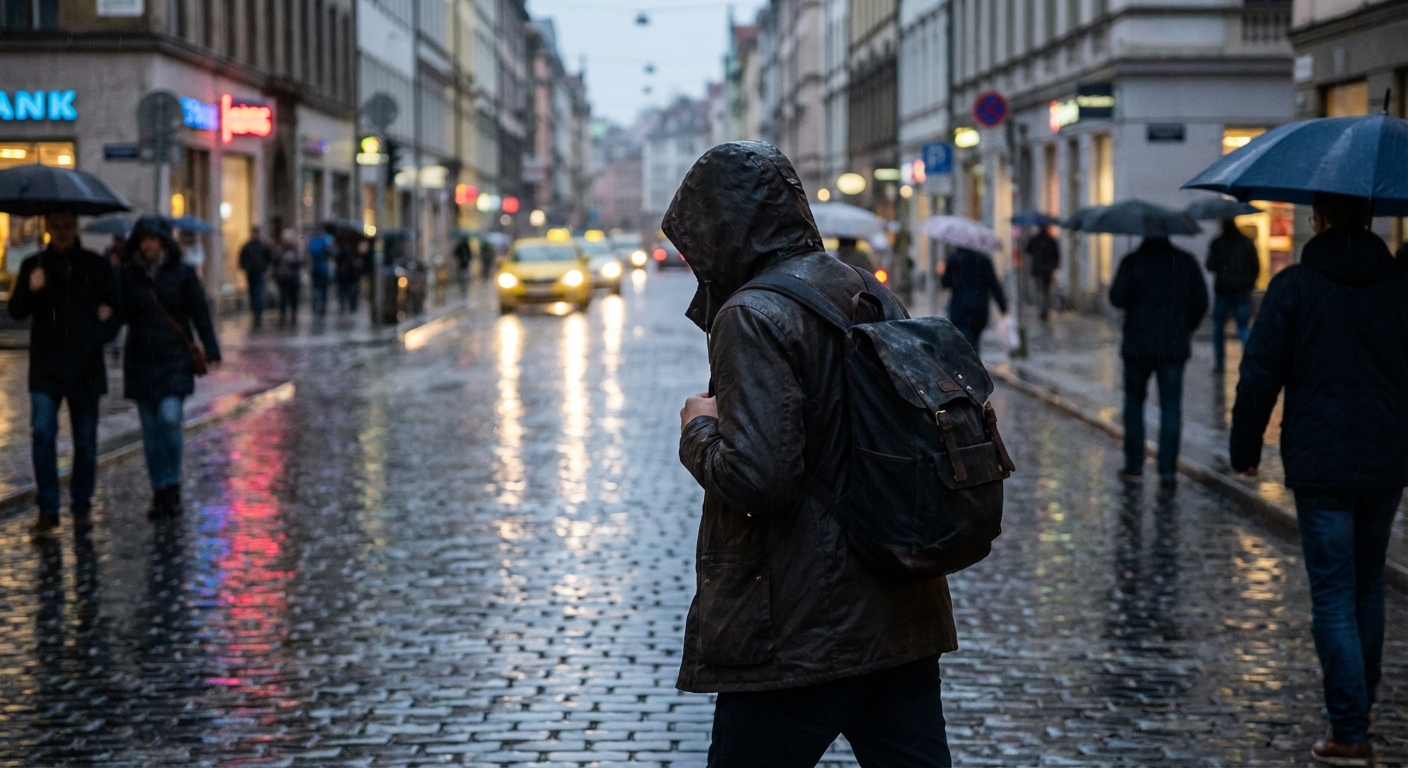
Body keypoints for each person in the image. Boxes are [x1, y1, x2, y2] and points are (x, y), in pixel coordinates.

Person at [668, 142, 956, 768]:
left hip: (800, 624)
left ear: (724, 227)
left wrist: (698, 430)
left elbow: (759, 477)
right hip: (901, 605)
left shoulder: (752, 313)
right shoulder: (860, 286)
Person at [1229, 192, 1408, 767]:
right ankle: (1363, 708)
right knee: (1367, 583)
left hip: (1320, 457)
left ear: (1318, 218)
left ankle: (1349, 730)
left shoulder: (1295, 286)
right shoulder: (1399, 285)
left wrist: (1245, 445)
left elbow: (1260, 372)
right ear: (1372, 218)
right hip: (1385, 457)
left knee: (1332, 590)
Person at [6, 209, 121, 535]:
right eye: (55, 225)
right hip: (46, 367)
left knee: (85, 441)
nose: (61, 231)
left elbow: (116, 309)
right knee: (42, 434)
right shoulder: (34, 265)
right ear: (46, 227)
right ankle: (48, 508)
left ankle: (81, 506)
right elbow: (16, 310)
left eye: (67, 225)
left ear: (75, 227)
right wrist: (30, 288)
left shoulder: (94, 265)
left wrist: (99, 332)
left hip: (85, 367)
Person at [119, 216, 222, 519]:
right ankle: (159, 490)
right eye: (144, 239)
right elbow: (118, 311)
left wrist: (211, 347)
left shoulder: (183, 274)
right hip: (140, 358)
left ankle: (173, 483)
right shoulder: (128, 274)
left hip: (174, 357)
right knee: (150, 431)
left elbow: (199, 312)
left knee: (169, 418)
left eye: (154, 239)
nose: (149, 244)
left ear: (164, 241)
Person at [1108, 235, 1209, 486]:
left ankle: (1134, 464)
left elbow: (1116, 297)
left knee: (1133, 404)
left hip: (1138, 346)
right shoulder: (1185, 262)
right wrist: (1185, 328)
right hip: (1173, 346)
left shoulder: (1133, 261)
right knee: (1171, 407)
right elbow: (1201, 302)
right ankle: (1167, 469)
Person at [1205, 218, 1261, 373]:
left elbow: (1210, 265)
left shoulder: (1218, 243)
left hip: (1223, 290)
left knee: (1218, 329)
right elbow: (1256, 266)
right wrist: (1250, 284)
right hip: (1242, 290)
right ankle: (1252, 361)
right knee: (1243, 327)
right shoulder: (1246, 243)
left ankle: (1219, 363)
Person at [940, 246, 1007, 355]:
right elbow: (994, 285)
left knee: (964, 341)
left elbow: (945, 282)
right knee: (974, 341)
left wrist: (944, 272)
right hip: (979, 307)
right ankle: (974, 364)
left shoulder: (955, 259)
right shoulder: (984, 260)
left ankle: (968, 366)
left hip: (960, 307)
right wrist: (1003, 307)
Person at [1025, 225, 1061, 322]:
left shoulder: (1035, 240)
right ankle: (1045, 307)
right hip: (1047, 269)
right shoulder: (1051, 240)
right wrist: (1054, 265)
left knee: (1039, 290)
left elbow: (1028, 250)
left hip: (1038, 269)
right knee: (1046, 290)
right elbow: (1056, 255)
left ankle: (1042, 308)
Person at [238, 226, 272, 328]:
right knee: (252, 294)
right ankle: (255, 312)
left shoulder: (263, 246)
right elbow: (242, 258)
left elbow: (268, 258)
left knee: (258, 294)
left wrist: (266, 270)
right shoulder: (247, 246)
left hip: (260, 273)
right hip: (250, 273)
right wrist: (245, 267)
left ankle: (258, 313)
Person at [274, 228, 304, 326]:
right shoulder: (279, 249)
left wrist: (292, 259)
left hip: (293, 278)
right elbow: (274, 260)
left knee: (293, 298)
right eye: (285, 238)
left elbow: (300, 262)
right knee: (282, 298)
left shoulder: (296, 249)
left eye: (289, 238)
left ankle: (293, 316)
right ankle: (282, 316)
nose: (287, 240)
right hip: (282, 278)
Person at [308, 227, 333, 316]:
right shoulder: (325, 240)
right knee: (323, 290)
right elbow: (331, 252)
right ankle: (322, 307)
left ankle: (315, 305)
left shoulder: (311, 241)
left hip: (314, 268)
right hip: (323, 269)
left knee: (315, 288)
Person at [335, 236, 362, 312]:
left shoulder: (354, 252)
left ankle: (348, 306)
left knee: (349, 291)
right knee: (344, 291)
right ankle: (344, 305)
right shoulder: (341, 252)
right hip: (344, 276)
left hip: (350, 276)